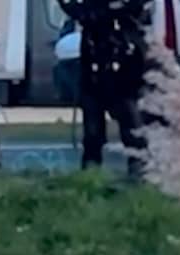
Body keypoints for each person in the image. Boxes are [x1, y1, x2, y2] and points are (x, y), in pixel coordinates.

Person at [57, 0, 151, 176]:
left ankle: (140, 175)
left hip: (126, 64)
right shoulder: (89, 9)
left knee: (132, 128)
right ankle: (90, 177)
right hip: (94, 63)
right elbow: (74, 10)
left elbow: (138, 8)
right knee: (92, 133)